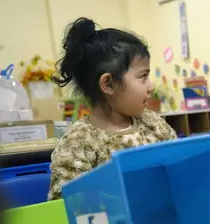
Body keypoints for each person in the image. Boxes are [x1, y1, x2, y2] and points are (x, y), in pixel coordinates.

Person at [48, 17, 177, 200]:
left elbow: (179, 169)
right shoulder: (79, 142)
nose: (151, 86)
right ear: (108, 84)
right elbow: (66, 204)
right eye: (143, 76)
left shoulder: (154, 125)